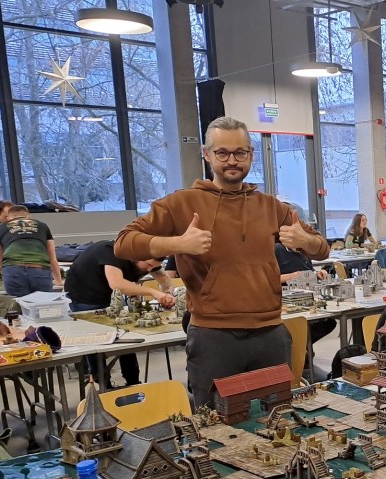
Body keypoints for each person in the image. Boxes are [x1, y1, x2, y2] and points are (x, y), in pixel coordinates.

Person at [114, 116, 329, 408]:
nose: (232, 161)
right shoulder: (182, 203)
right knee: (216, 423)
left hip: (270, 333)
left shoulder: (270, 206)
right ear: (207, 154)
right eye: (222, 153)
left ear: (251, 154)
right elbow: (124, 242)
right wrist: (178, 244)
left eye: (240, 153)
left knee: (278, 419)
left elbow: (321, 249)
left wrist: (305, 241)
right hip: (214, 336)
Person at [64, 240, 175, 387]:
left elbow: (164, 279)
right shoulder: (111, 252)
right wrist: (153, 292)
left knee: (127, 337)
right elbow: (117, 284)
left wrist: (168, 294)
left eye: (152, 267)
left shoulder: (148, 261)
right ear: (136, 255)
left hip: (108, 297)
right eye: (148, 265)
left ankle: (133, 381)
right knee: (96, 341)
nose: (149, 269)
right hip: (84, 297)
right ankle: (103, 385)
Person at [0, 205, 63, 297]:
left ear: (8, 218)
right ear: (29, 216)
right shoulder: (42, 226)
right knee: (43, 304)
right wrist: (59, 282)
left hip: (13, 270)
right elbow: (52, 258)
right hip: (39, 270)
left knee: (19, 304)